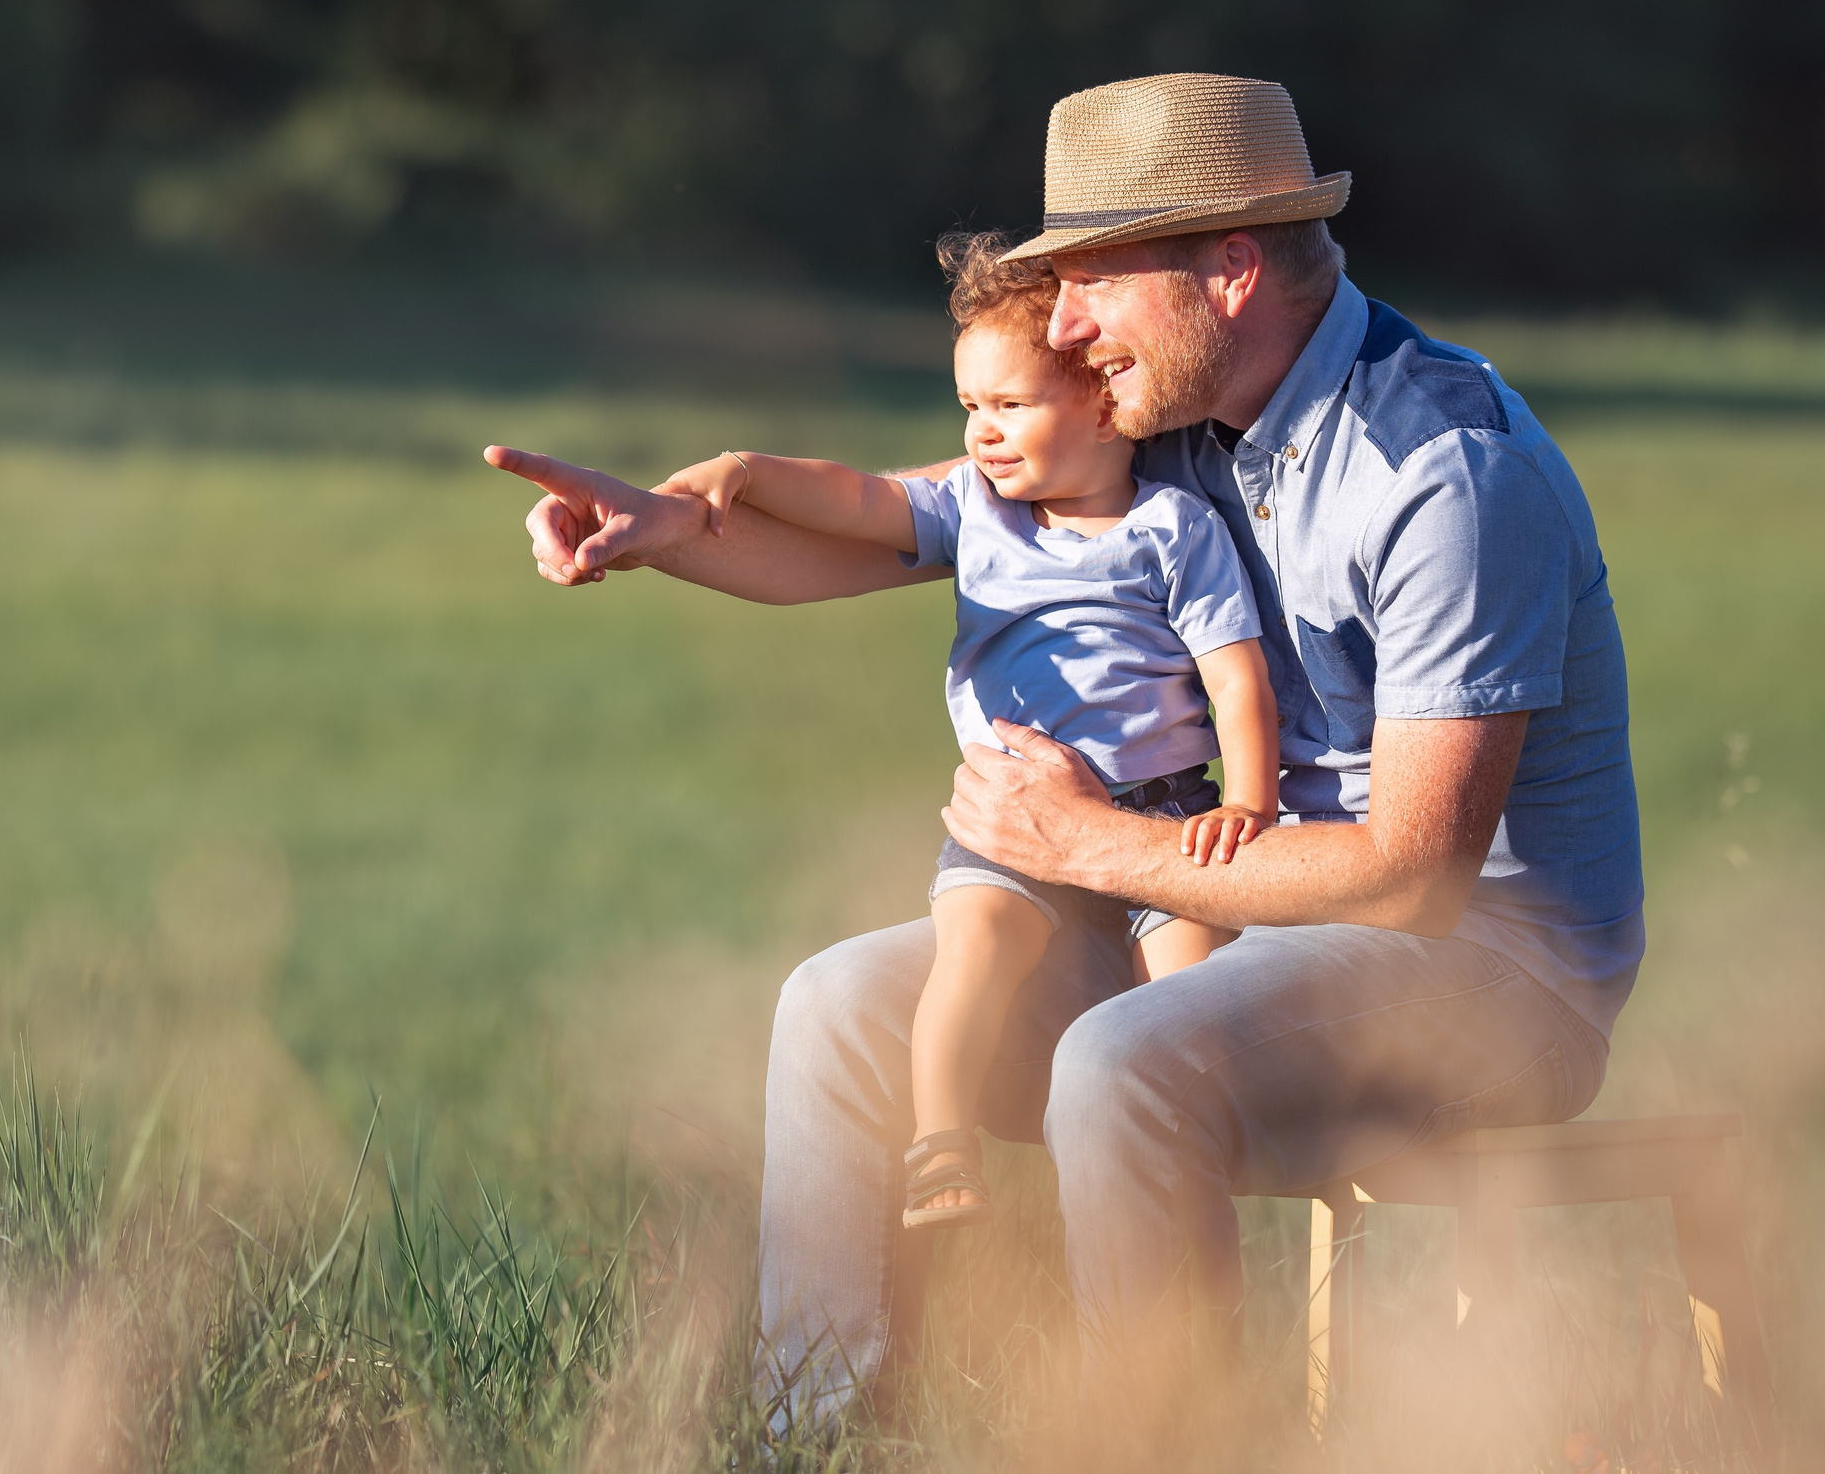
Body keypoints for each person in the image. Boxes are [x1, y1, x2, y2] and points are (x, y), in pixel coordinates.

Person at [485, 73, 1641, 1437]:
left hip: (1496, 970)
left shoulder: (1441, 471)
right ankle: (814, 1433)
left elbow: (1415, 878)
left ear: (1228, 267)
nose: (1066, 324)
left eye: (1092, 280)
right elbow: (909, 525)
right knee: (841, 1005)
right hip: (1239, 913)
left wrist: (1095, 843)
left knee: (1122, 1058)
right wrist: (672, 522)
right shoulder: (1183, 425)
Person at [647, 231, 1279, 1233]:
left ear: (1105, 405)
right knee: (970, 959)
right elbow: (854, 494)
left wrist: (1246, 799)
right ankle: (942, 1144)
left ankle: (1186, 1169)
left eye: (1011, 406)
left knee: (1180, 998)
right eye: (970, 408)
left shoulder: (1172, 530)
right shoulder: (975, 511)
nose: (982, 433)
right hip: (1010, 818)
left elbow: (1233, 675)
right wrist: (745, 468)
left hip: (1162, 814)